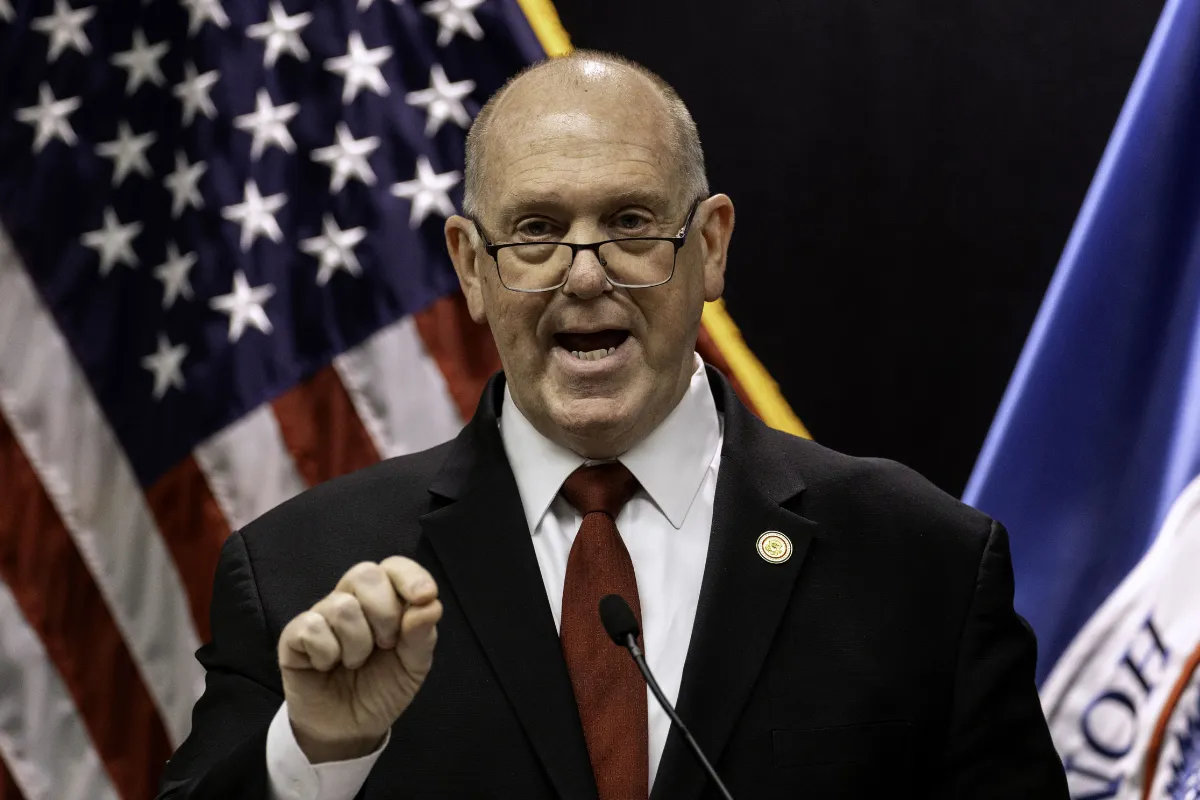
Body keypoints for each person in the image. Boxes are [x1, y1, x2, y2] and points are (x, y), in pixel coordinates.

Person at [157, 51, 1069, 799]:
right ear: (471, 267)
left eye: (631, 223)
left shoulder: (920, 562)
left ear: (709, 246)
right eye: (536, 231)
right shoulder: (301, 572)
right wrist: (314, 755)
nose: (586, 276)